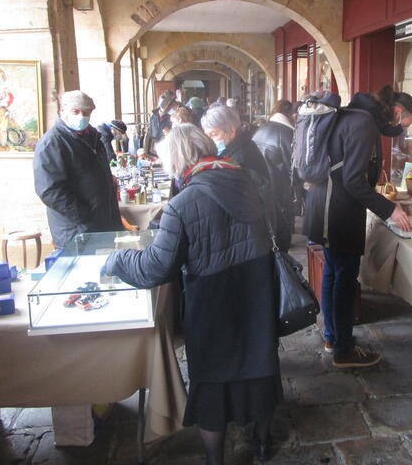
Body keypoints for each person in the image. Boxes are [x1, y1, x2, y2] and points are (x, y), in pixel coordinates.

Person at [102, 124, 280, 465]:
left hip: (211, 301)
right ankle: (261, 442)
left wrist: (118, 259)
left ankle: (216, 459)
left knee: (212, 380)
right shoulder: (250, 182)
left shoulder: (182, 204)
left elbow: (155, 268)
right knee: (259, 365)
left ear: (177, 161)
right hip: (256, 291)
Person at [302, 85, 411, 368]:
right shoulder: (363, 123)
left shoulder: (353, 115)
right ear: (396, 112)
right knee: (345, 279)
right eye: (403, 124)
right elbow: (352, 180)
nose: (400, 130)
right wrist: (389, 209)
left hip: (324, 205)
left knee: (334, 274)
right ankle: (344, 350)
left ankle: (332, 336)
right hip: (338, 210)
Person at [33, 90, 122, 248]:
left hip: (103, 224)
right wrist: (85, 216)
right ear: (63, 111)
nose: (81, 116)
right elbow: (50, 191)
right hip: (76, 230)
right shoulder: (52, 143)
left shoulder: (93, 137)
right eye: (76, 111)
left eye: (86, 112)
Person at [252, 100, 299, 252]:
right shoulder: (287, 133)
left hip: (261, 182)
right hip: (280, 185)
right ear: (292, 115)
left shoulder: (262, 129)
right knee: (281, 224)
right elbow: (293, 166)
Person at [201, 106, 270, 194]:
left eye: (213, 134)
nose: (208, 140)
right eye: (206, 135)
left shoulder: (239, 159)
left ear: (231, 131)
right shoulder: (242, 145)